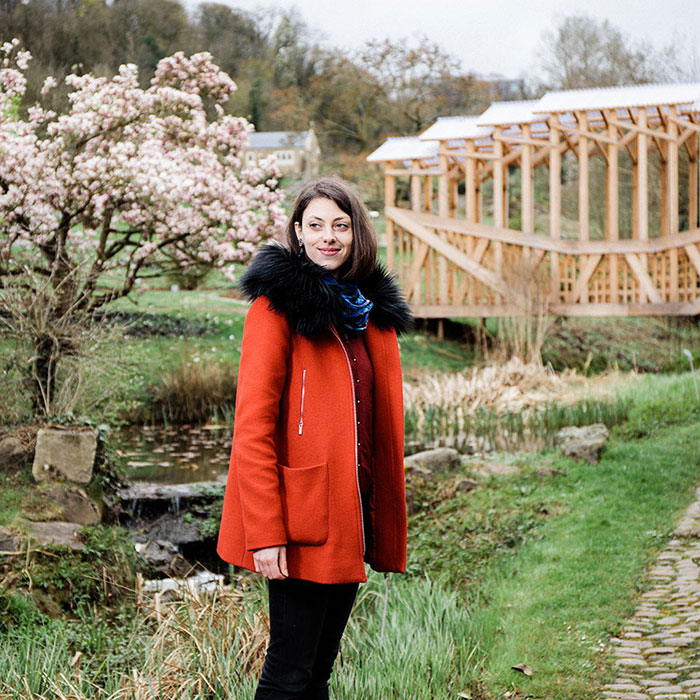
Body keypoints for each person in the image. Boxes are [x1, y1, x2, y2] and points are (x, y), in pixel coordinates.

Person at [216, 176, 412, 699]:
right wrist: (264, 532)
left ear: (357, 234)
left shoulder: (365, 314)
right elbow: (252, 429)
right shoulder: (276, 309)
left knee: (318, 674)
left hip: (351, 513)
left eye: (341, 225)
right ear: (298, 233)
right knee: (288, 676)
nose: (329, 236)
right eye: (317, 225)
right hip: (300, 520)